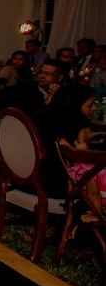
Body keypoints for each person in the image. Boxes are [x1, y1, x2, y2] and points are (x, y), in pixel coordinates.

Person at [54, 84, 102, 212]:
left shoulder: (49, 120)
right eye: (91, 104)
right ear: (76, 104)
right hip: (69, 189)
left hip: (35, 181)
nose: (96, 107)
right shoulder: (82, 134)